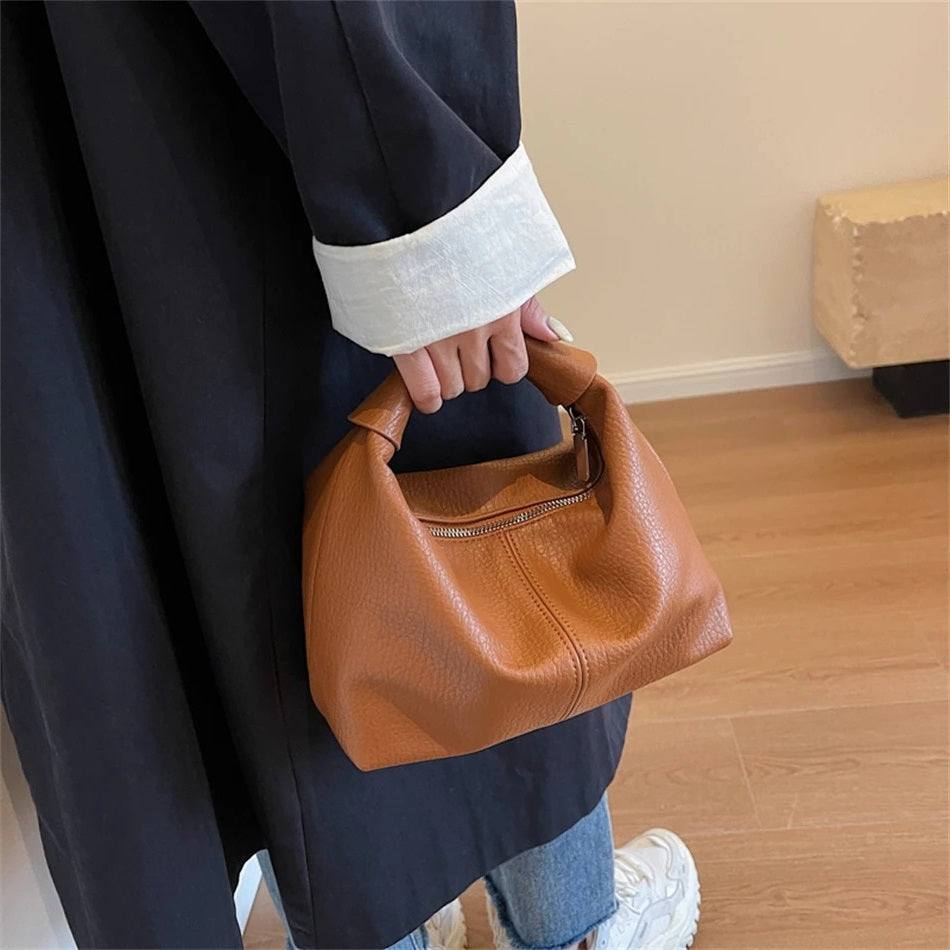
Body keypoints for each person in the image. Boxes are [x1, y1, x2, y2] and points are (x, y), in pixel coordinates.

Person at [0, 3, 699, 948]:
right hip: (271, 130)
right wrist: (434, 209)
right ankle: (572, 930)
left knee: (237, 596)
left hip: (44, 189)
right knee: (459, 534)